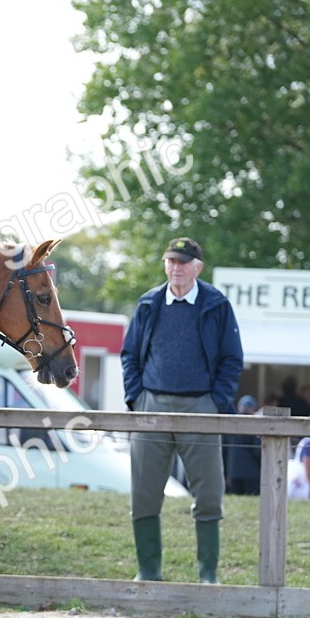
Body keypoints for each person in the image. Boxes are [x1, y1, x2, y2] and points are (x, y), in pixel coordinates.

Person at [120, 237, 243, 584]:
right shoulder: (148, 303)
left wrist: (216, 402)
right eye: (171, 261)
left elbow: (233, 359)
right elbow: (129, 355)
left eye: (183, 262)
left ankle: (208, 576)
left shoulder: (217, 305)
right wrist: (136, 399)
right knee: (144, 492)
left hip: (201, 406)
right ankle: (148, 573)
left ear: (197, 268)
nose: (176, 267)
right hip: (152, 405)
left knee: (209, 494)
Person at [222, 395, 261, 496]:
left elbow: (223, 451)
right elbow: (258, 452)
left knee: (235, 504)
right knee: (253, 504)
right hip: (252, 474)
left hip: (233, 473)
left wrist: (226, 474)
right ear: (253, 409)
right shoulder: (255, 426)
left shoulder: (231, 426)